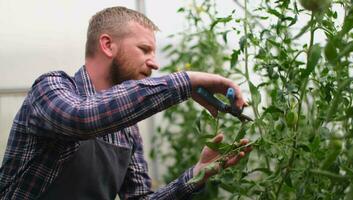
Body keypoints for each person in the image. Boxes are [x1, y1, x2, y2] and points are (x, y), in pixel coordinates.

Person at [0, 6, 251, 200]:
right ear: (108, 45)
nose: (155, 63)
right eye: (144, 49)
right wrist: (186, 81)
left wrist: (195, 175)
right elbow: (82, 118)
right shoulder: (51, 88)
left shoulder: (127, 130)